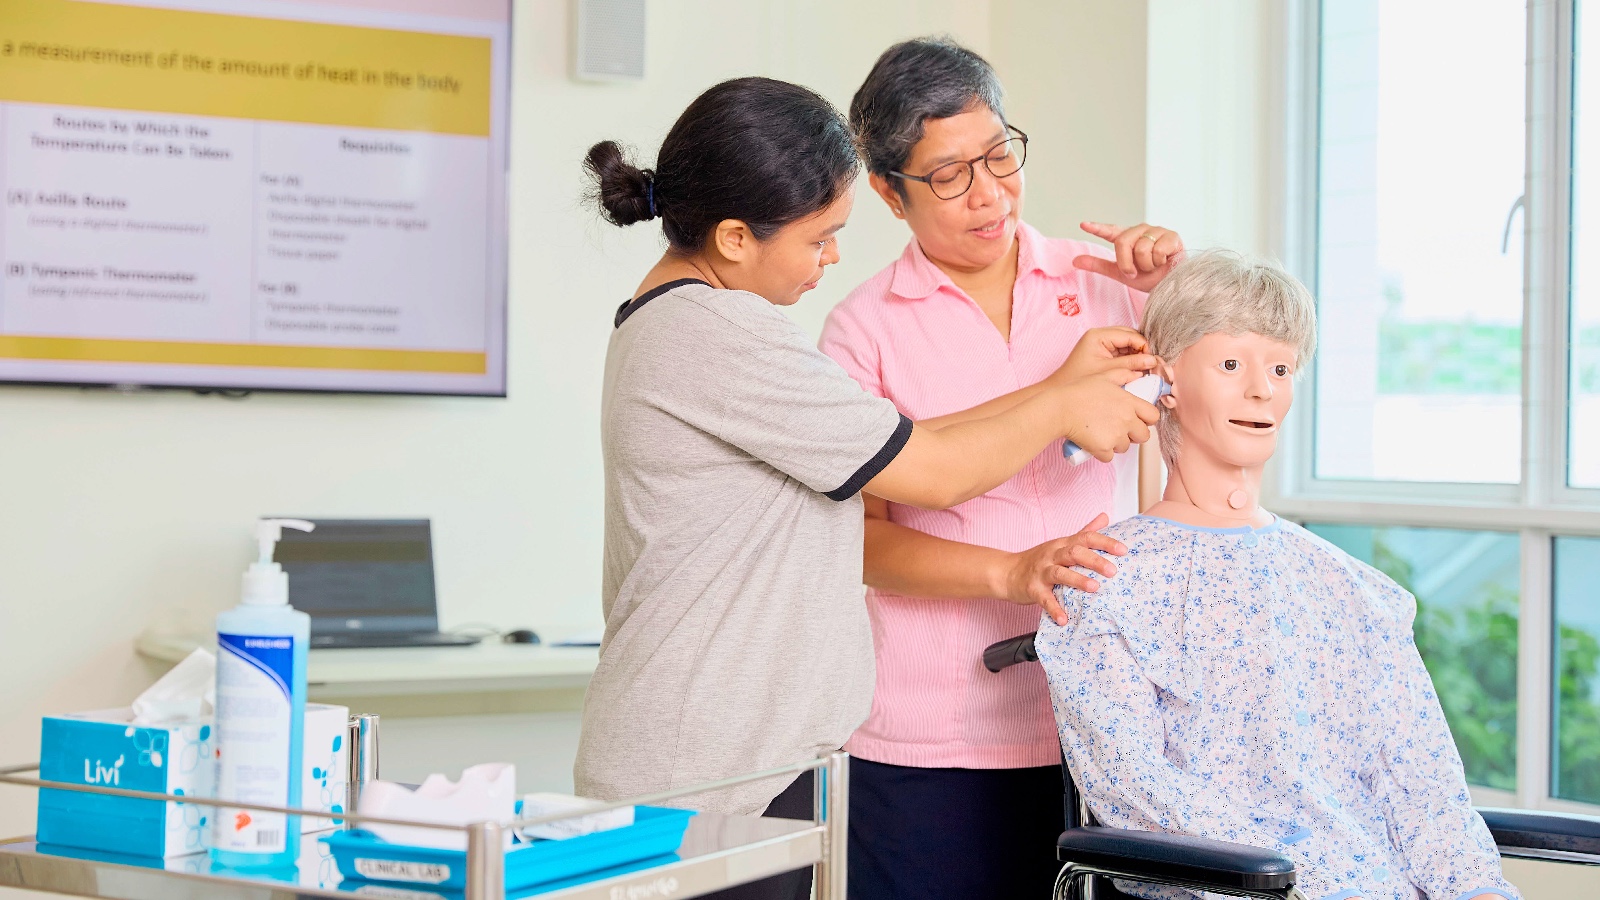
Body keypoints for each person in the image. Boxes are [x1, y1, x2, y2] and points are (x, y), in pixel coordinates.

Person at [574, 76, 1160, 900]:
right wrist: (1060, 405)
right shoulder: (720, 332)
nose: (834, 258)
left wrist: (1060, 390)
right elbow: (931, 470)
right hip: (706, 773)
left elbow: (908, 442)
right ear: (737, 237)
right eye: (820, 239)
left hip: (734, 760)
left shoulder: (676, 319)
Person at [818, 37, 1185, 898]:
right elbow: (862, 544)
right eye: (949, 175)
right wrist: (1012, 572)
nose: (989, 195)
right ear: (887, 191)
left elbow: (1226, 405)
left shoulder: (1103, 284)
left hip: (1101, 724)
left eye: (999, 156)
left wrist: (1177, 289)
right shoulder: (863, 330)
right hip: (931, 736)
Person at [1037, 251, 1519, 900]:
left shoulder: (1355, 591)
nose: (1262, 388)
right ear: (1164, 378)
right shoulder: (1103, 582)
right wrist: (1301, 883)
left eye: (1282, 367)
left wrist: (1479, 892)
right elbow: (1136, 790)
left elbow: (1422, 783)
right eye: (1232, 364)